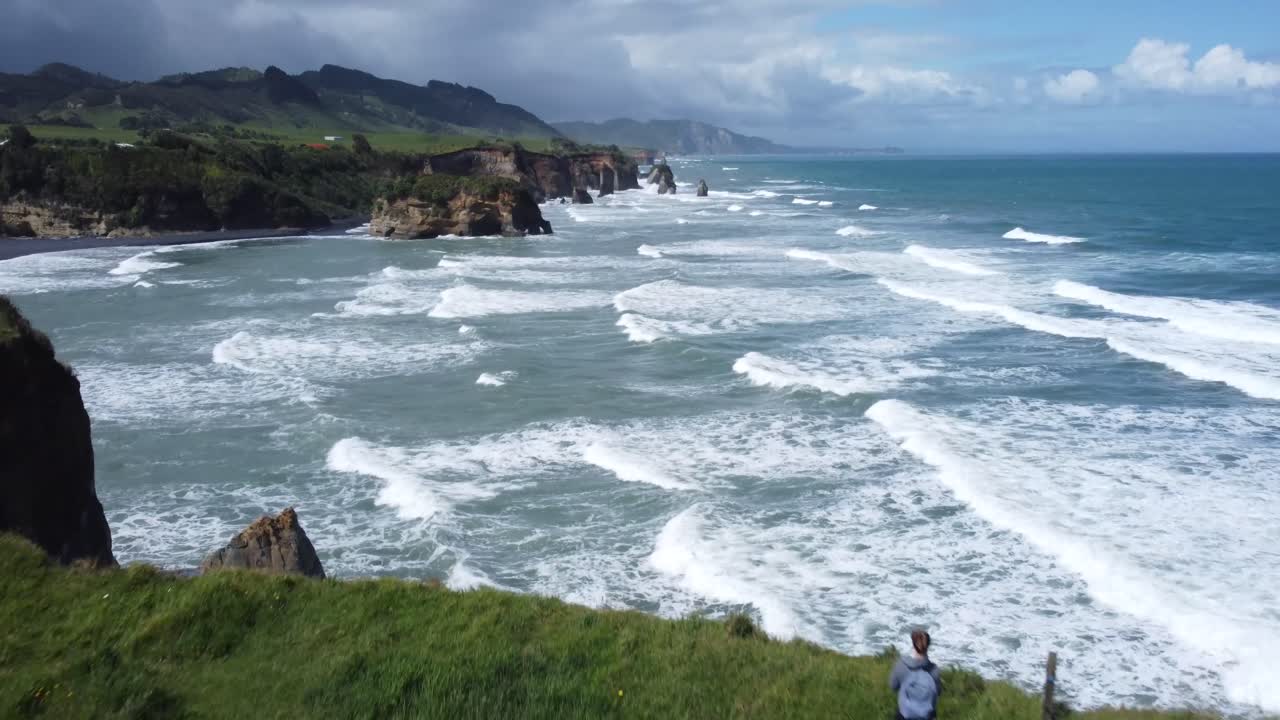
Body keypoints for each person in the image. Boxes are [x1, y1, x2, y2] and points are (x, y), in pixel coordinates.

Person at [889, 629, 943, 720]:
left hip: (904, 715)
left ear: (913, 644)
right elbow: (938, 692)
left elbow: (893, 686)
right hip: (927, 716)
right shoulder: (934, 670)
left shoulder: (901, 665)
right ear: (928, 646)